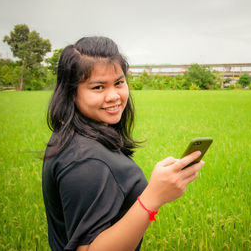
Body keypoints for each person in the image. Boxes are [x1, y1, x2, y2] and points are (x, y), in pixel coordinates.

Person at [42, 36, 204, 251]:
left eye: (119, 83)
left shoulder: (74, 136)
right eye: (98, 87)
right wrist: (152, 198)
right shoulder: (86, 161)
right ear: (72, 93)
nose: (114, 96)